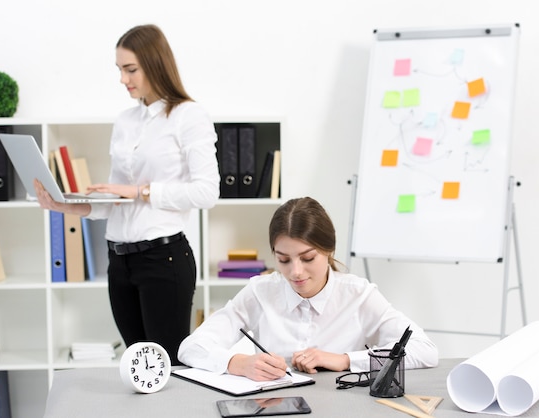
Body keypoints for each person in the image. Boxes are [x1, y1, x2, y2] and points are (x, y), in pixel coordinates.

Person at [34, 24, 220, 365]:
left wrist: (140, 191)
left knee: (169, 370)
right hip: (119, 262)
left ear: (155, 64)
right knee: (138, 369)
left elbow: (207, 191)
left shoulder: (188, 116)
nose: (123, 79)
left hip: (163, 260)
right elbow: (115, 202)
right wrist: (65, 205)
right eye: (120, 69)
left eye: (130, 69)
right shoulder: (125, 121)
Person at [178, 197, 438, 380]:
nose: (295, 272)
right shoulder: (261, 292)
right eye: (283, 260)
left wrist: (345, 360)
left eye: (308, 258)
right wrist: (237, 363)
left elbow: (424, 350)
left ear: (328, 250)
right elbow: (191, 347)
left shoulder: (358, 295)